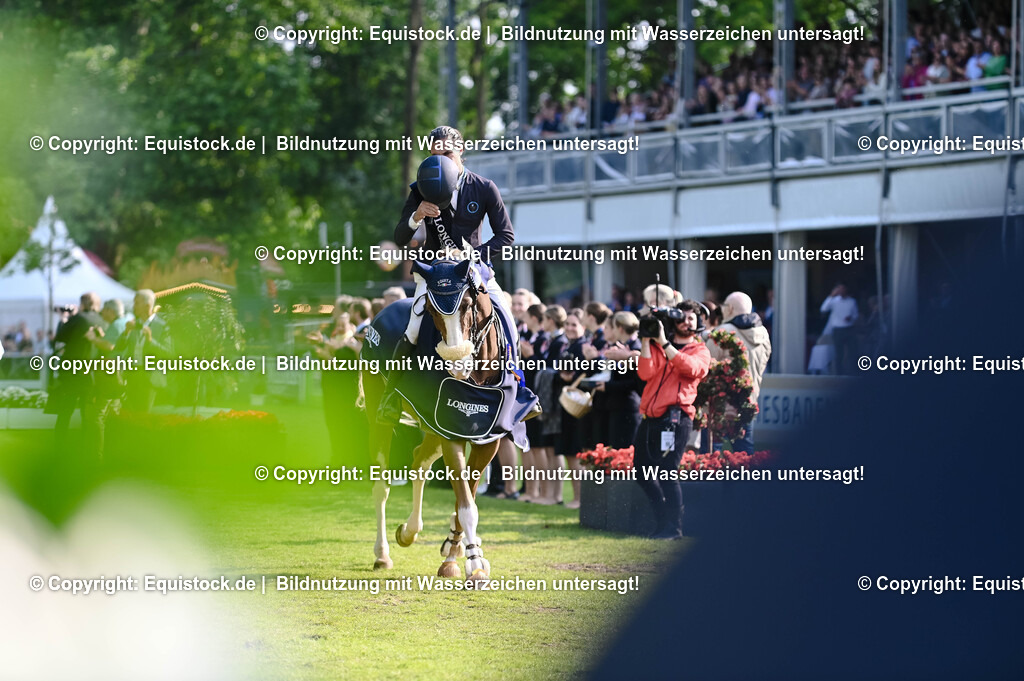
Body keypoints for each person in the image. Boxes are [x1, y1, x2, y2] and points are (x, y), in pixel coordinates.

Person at [379, 124, 517, 423]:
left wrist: (471, 256)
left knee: (506, 316)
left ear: (461, 152)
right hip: (434, 272)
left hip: (472, 269)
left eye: (447, 152)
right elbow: (401, 236)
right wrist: (417, 216)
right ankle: (393, 395)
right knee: (414, 325)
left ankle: (518, 389)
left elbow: (506, 235)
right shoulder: (420, 189)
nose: (440, 160)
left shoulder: (483, 186)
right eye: (434, 154)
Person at [635, 300, 711, 539]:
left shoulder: (700, 349)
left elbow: (691, 369)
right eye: (683, 317)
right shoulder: (658, 346)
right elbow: (645, 373)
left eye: (692, 318)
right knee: (641, 471)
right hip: (650, 418)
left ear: (699, 322)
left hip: (676, 420)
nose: (686, 322)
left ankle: (674, 528)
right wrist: (647, 340)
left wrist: (665, 343)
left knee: (667, 472)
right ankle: (662, 523)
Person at [707, 291, 772, 455]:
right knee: (744, 453)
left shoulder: (723, 331)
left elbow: (706, 363)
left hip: (720, 404)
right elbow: (763, 362)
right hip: (748, 401)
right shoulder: (763, 333)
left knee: (712, 454)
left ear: (729, 309)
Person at [51, 292, 105, 451]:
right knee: (86, 412)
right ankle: (84, 445)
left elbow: (60, 337)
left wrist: (64, 318)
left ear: (83, 303)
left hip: (72, 372)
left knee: (65, 411)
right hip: (91, 372)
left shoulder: (79, 318)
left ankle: (59, 446)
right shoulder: (101, 319)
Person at [114, 289, 171, 413]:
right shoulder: (133, 324)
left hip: (150, 379)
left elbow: (168, 353)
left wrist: (150, 341)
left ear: (147, 305)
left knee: (144, 417)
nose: (133, 306)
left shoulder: (163, 326)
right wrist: (126, 332)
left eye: (136, 303)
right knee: (130, 416)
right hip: (132, 377)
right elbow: (118, 347)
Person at [596, 311, 642, 449]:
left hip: (628, 407)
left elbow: (635, 382)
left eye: (613, 327)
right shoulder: (619, 346)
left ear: (620, 328)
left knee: (625, 453)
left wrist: (608, 386)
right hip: (616, 406)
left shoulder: (635, 348)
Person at [820, 283, 858, 375]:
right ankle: (839, 373)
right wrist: (831, 296)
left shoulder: (851, 301)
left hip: (849, 328)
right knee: (839, 353)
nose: (841, 291)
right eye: (839, 289)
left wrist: (851, 318)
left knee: (852, 351)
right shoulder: (834, 301)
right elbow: (823, 309)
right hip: (838, 330)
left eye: (842, 289)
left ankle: (851, 372)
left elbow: (855, 314)